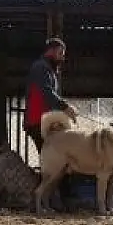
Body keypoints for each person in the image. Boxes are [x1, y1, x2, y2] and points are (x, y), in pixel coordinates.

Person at [24, 37, 80, 208]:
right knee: (54, 164)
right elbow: (47, 93)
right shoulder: (41, 68)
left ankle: (53, 201)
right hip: (38, 122)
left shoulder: (47, 69)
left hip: (44, 122)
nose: (63, 57)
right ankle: (49, 202)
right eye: (61, 53)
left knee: (55, 163)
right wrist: (66, 107)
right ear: (52, 51)